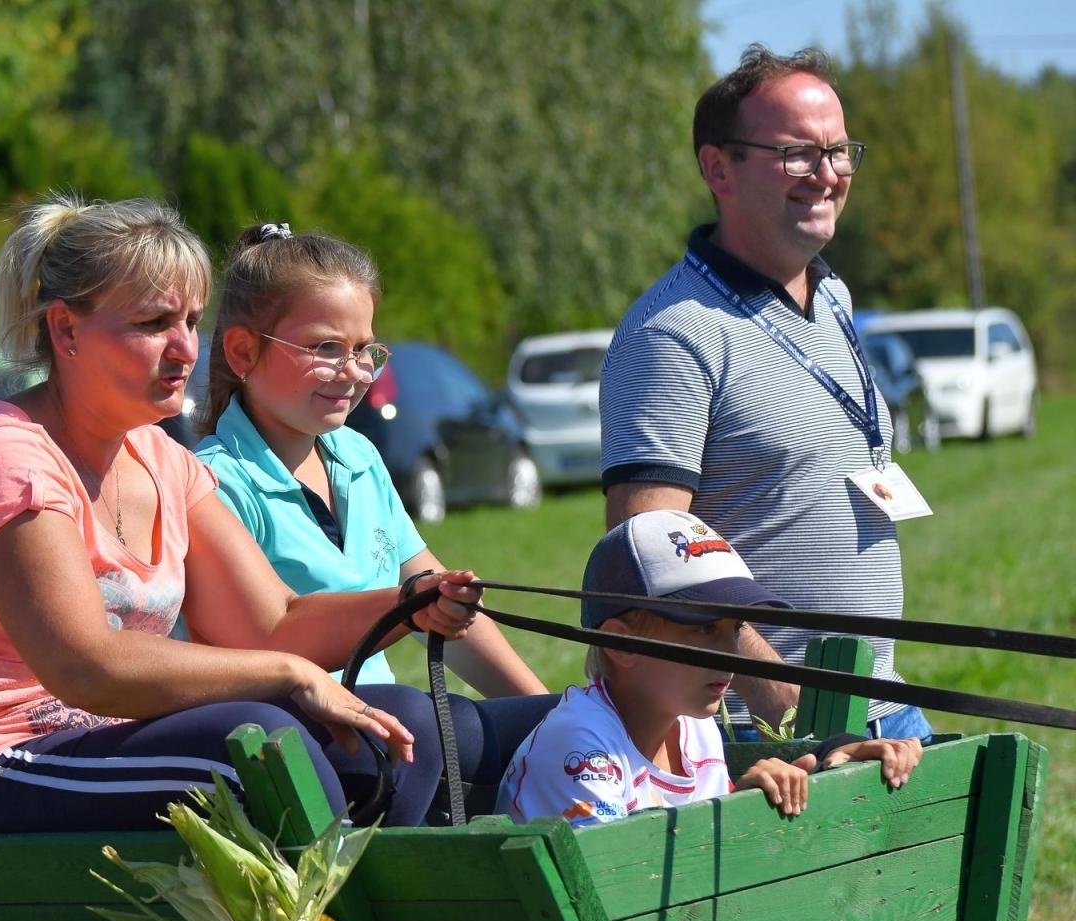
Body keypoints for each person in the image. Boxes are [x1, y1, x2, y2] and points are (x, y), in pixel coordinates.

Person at [0, 195, 487, 836]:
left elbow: (272, 624)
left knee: (405, 728)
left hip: (111, 745)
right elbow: (86, 667)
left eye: (191, 321)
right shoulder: (4, 455)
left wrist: (408, 602)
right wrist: (288, 675)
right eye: (152, 323)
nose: (183, 349)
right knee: (254, 750)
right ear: (65, 331)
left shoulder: (159, 455)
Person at [597, 45, 932, 742]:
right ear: (718, 167)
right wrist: (792, 710)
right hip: (763, 736)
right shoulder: (673, 331)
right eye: (797, 154)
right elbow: (651, 559)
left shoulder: (831, 293)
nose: (829, 174)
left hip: (878, 703)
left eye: (839, 152)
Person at [193, 222, 553, 808]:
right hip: (301, 750)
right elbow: (261, 642)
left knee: (568, 730)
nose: (357, 370)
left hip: (397, 739)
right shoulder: (212, 479)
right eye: (325, 348)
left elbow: (446, 614)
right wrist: (415, 605)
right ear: (241, 351)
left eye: (364, 349)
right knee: (437, 726)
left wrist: (546, 714)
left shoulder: (359, 457)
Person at [497, 510, 922, 827]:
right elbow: (621, 895)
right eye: (703, 629)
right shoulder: (582, 748)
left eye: (735, 628)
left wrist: (752, 802)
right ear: (619, 643)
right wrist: (738, 817)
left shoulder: (695, 728)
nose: (730, 653)